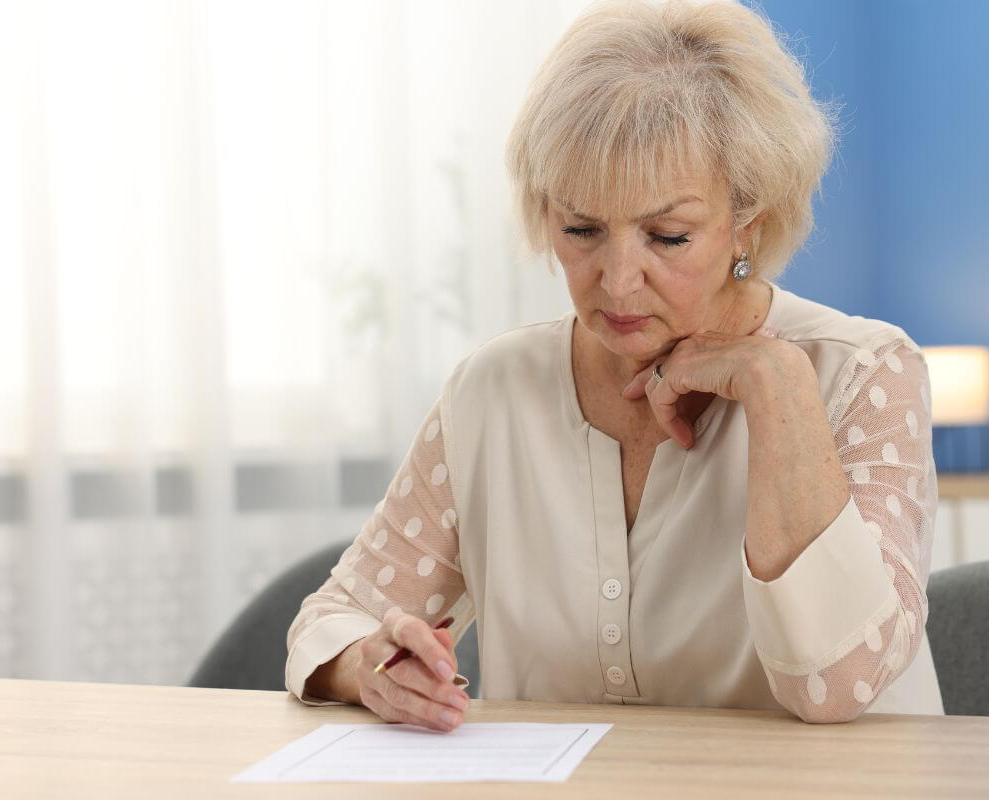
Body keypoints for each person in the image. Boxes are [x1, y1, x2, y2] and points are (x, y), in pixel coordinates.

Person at [284, 0, 944, 730]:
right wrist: (373, 669)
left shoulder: (867, 374)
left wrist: (775, 383)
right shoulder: (494, 390)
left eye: (667, 235)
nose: (619, 279)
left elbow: (839, 682)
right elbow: (336, 621)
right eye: (582, 229)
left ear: (747, 221)